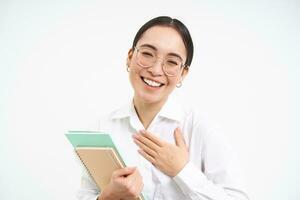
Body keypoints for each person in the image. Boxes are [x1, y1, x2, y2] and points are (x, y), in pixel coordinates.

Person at [77, 16, 249, 200]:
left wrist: (182, 170)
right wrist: (108, 196)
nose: (156, 70)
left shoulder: (199, 127)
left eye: (172, 62)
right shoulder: (101, 128)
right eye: (147, 54)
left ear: (183, 73)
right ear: (129, 57)